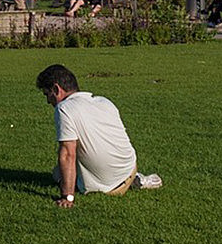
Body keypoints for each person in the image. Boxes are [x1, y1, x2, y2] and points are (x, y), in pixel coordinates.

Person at [37, 63, 159, 203]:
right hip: (129, 167)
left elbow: (67, 154)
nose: (48, 101)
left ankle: (113, 180)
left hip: (109, 187)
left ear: (56, 89)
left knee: (58, 173)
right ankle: (134, 179)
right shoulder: (104, 101)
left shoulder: (64, 109)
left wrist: (67, 196)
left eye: (47, 94)